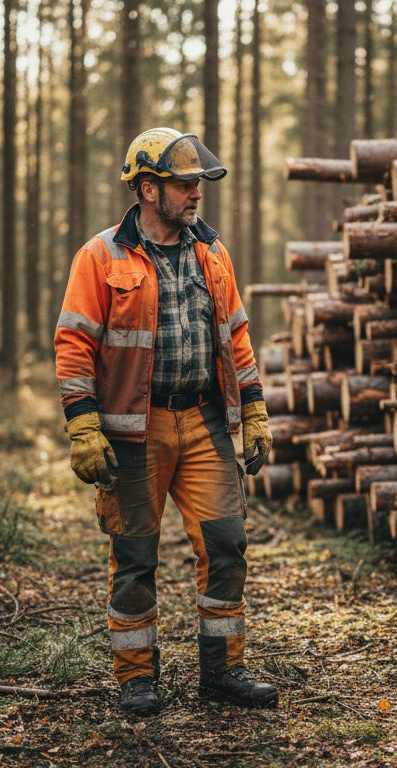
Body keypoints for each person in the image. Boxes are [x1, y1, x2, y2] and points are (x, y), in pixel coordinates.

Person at [53, 127, 276, 715]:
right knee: (134, 557)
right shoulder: (100, 256)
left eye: (198, 182)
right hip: (134, 431)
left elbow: (237, 338)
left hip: (202, 422)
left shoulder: (212, 252)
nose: (196, 193)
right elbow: (74, 345)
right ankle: (135, 679)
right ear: (149, 189)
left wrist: (253, 411)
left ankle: (223, 673)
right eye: (184, 184)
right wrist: (83, 427)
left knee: (226, 546)